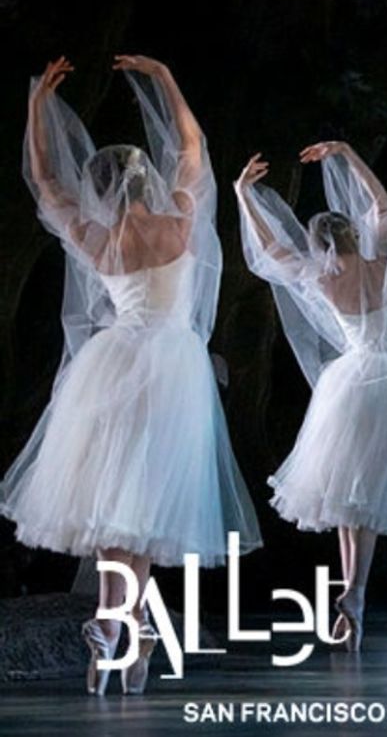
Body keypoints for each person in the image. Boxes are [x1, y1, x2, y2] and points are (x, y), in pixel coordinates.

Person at [3, 55, 261, 695]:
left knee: (124, 509)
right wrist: (167, 78)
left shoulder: (96, 238)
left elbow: (43, 181)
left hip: (115, 362)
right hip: (173, 368)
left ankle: (117, 627)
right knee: (135, 511)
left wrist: (38, 106)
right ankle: (128, 630)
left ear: (101, 187)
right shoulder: (179, 221)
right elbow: (194, 147)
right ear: (143, 180)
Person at [235, 141, 387, 653]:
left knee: (352, 501)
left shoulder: (322, 277)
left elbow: (274, 253)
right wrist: (347, 155)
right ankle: (356, 593)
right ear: (353, 233)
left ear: (320, 243)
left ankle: (355, 592)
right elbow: (385, 205)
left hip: (354, 380)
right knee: (358, 499)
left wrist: (244, 197)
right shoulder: (386, 263)